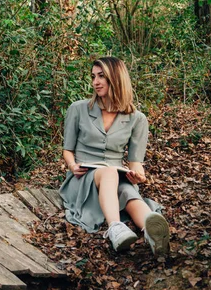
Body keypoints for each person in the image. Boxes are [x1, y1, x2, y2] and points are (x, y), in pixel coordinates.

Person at [59, 57, 170, 256]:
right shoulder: (78, 108)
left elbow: (136, 162)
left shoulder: (137, 119)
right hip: (83, 177)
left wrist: (139, 176)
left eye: (102, 76)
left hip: (116, 176)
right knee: (109, 173)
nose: (95, 82)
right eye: (93, 77)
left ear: (116, 78)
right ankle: (115, 228)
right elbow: (67, 150)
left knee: (128, 192)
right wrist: (72, 166)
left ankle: (152, 232)